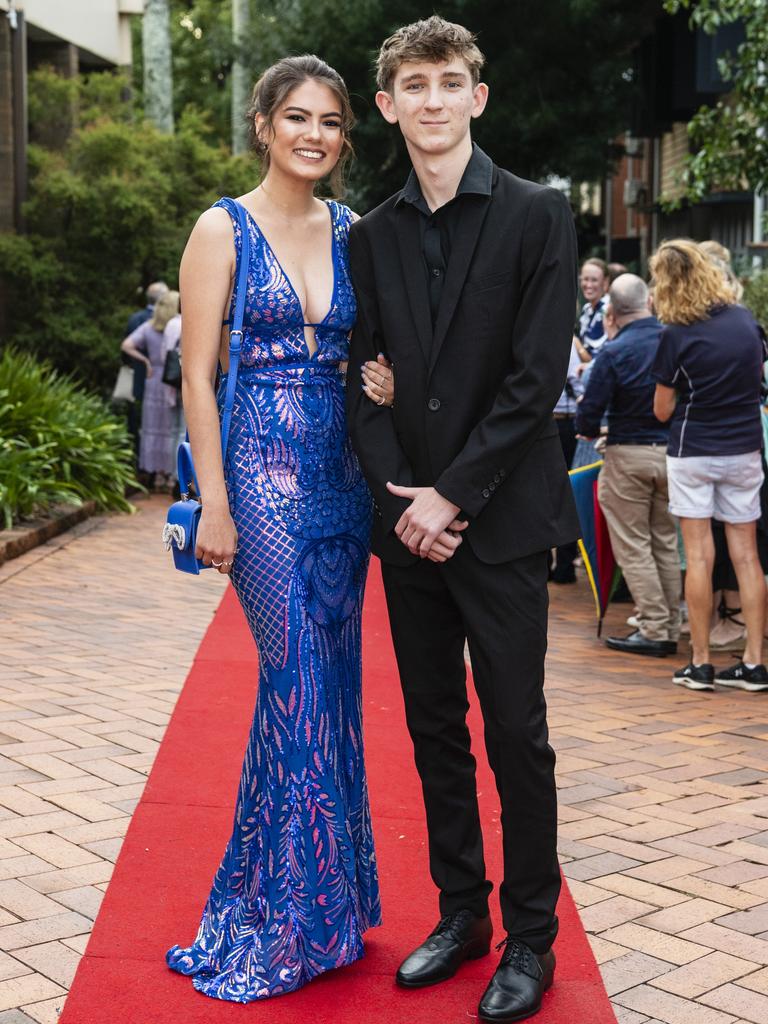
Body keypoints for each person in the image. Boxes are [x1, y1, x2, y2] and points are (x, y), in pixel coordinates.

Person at [346, 16, 579, 1023]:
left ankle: (531, 935)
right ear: (389, 105)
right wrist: (407, 492)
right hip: (408, 527)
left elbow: (533, 383)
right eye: (414, 84)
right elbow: (360, 380)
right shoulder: (371, 235)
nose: (433, 99)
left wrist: (453, 495)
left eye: (451, 82)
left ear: (476, 98)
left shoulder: (537, 214)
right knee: (435, 727)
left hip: (497, 519)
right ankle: (462, 913)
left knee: (516, 732)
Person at [165, 55, 392, 1002]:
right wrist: (213, 500)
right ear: (263, 123)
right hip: (257, 478)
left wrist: (379, 381)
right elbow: (198, 378)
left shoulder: (352, 230)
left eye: (331, 122)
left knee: (332, 690)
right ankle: (279, 919)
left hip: (343, 481)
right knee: (295, 675)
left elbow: (374, 348)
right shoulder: (221, 228)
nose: (315, 134)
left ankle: (322, 909)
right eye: (296, 117)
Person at [651, 239, 768, 692]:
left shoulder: (676, 333)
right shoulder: (746, 322)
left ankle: (700, 663)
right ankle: (755, 663)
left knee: (699, 554)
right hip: (744, 449)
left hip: (693, 447)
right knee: (747, 555)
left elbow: (661, 410)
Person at [576, 274, 681, 656]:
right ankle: (671, 619)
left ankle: (655, 627)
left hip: (627, 452)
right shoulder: (673, 339)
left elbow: (589, 410)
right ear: (648, 302)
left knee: (634, 544)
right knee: (665, 540)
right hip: (672, 451)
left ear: (613, 311)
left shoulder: (615, 350)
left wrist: (588, 430)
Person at [121, 289, 182, 489]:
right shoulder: (176, 326)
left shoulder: (148, 327)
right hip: (172, 379)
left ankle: (154, 473)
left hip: (153, 378)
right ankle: (170, 474)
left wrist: (145, 360)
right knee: (171, 429)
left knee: (152, 428)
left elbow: (127, 345)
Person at [124, 281, 169, 452]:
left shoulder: (135, 318)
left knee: (139, 422)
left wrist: (139, 363)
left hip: (138, 377)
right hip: (162, 380)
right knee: (162, 425)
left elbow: (126, 352)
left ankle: (140, 463)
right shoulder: (167, 321)